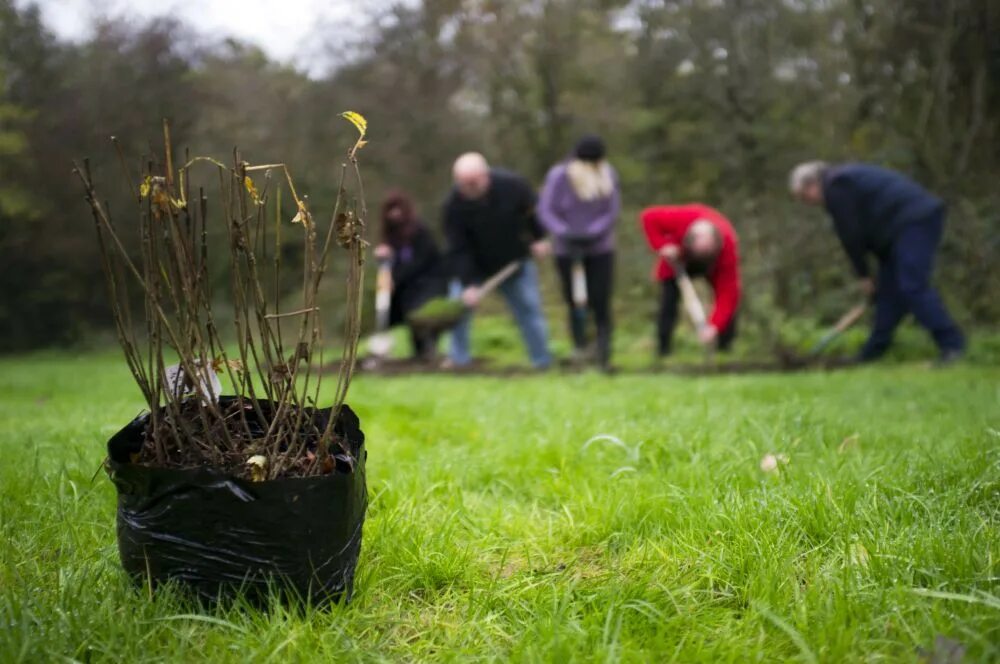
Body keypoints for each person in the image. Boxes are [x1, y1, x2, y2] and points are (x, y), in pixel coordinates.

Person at [789, 161, 965, 363]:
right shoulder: (845, 181)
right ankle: (871, 353)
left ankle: (952, 345)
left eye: (804, 197)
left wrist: (863, 274)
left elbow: (850, 234)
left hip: (914, 222)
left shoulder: (836, 187)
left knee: (912, 286)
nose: (808, 203)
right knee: (888, 294)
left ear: (812, 184)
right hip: (899, 230)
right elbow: (866, 227)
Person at [443, 152, 553, 369]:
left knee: (529, 309)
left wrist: (539, 238)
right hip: (476, 267)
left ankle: (542, 362)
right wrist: (467, 286)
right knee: (457, 307)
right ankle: (458, 361)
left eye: (473, 182)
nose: (468, 188)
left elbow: (533, 213)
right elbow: (458, 249)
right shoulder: (452, 206)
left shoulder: (513, 186)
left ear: (486, 176)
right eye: (463, 184)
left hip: (514, 262)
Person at [538, 135, 620, 370]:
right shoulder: (560, 176)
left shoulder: (608, 174)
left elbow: (611, 210)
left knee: (600, 300)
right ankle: (580, 348)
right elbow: (547, 209)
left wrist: (593, 232)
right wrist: (564, 232)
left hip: (599, 249)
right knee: (574, 301)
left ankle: (603, 353)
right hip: (567, 249)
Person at [640, 204, 741, 356]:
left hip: (714, 265)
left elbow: (728, 294)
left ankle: (724, 350)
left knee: (729, 309)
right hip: (678, 259)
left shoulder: (728, 247)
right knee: (668, 302)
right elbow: (648, 217)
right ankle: (663, 351)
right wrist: (662, 246)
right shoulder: (683, 218)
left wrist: (714, 327)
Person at [373, 190, 447, 360]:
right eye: (390, 210)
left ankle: (427, 352)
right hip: (405, 286)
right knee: (395, 312)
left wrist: (395, 278)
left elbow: (419, 263)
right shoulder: (390, 236)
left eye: (397, 209)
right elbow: (392, 261)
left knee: (419, 315)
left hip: (427, 282)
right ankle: (415, 353)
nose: (394, 214)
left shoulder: (420, 232)